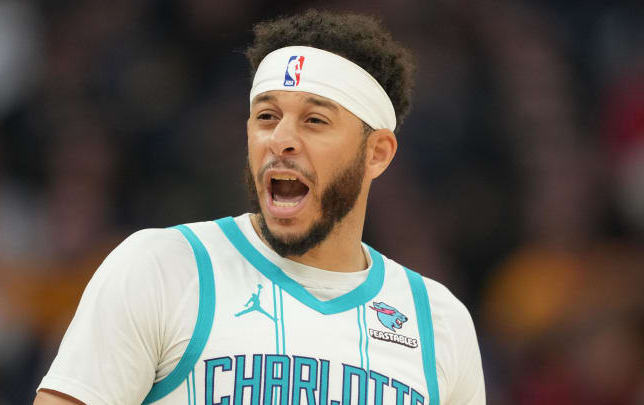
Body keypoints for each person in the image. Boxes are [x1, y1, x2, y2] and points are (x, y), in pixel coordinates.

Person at [34, 9, 485, 405]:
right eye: (267, 116)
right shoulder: (161, 268)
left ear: (377, 153)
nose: (281, 139)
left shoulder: (438, 322)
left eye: (315, 120)